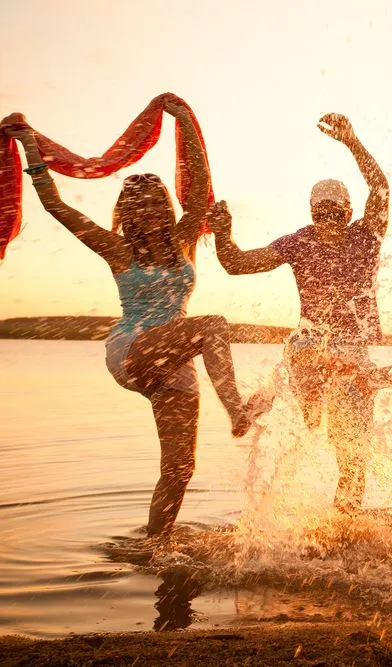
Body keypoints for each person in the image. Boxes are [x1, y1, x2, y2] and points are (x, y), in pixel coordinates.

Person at [3, 103, 261, 537]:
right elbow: (56, 206)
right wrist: (29, 143)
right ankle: (237, 408)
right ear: (127, 211)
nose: (148, 212)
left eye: (155, 204)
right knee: (213, 324)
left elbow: (198, 192)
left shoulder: (184, 240)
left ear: (163, 206)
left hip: (174, 360)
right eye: (137, 206)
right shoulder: (116, 249)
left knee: (180, 469)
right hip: (133, 350)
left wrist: (182, 121)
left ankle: (154, 546)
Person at [210, 113, 392, 514]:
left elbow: (380, 187)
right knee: (311, 358)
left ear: (348, 211)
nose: (328, 218)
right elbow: (237, 264)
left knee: (352, 456)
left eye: (335, 211)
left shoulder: (366, 236)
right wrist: (223, 233)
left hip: (354, 354)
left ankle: (345, 518)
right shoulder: (298, 242)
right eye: (321, 211)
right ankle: (303, 402)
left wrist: (352, 141)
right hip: (310, 343)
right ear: (312, 212)